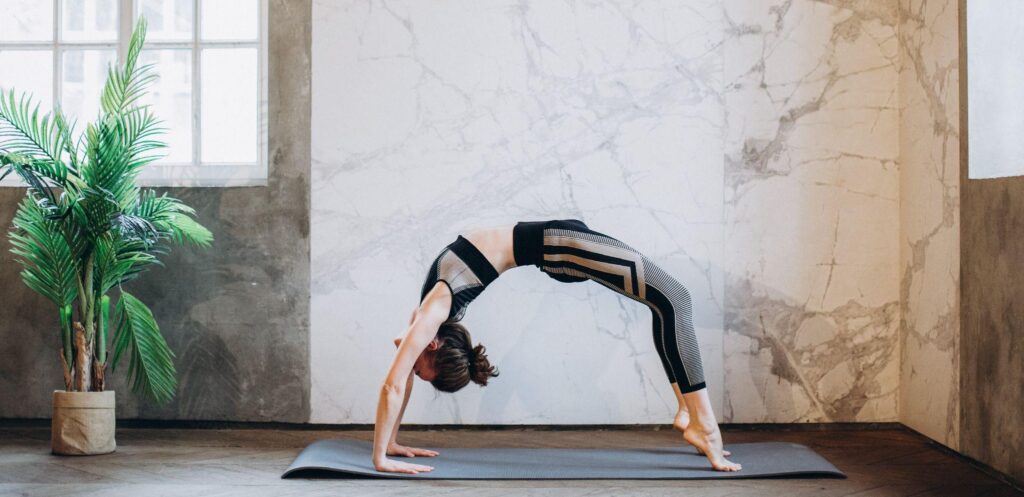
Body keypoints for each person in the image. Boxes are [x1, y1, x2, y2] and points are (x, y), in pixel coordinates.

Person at [372, 219, 741, 474]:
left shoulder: (432, 310)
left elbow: (393, 383)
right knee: (673, 301)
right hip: (558, 246)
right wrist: (390, 443)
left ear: (432, 345)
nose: (407, 365)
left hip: (560, 243)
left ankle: (692, 417)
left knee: (671, 301)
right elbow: (399, 380)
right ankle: (699, 422)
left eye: (418, 368)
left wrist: (379, 458)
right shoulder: (430, 312)